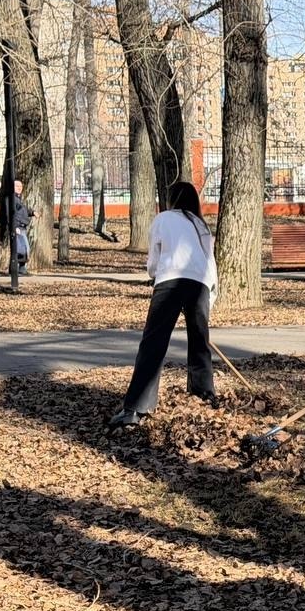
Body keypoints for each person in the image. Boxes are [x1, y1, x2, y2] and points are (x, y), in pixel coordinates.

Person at [108, 181, 218, 428]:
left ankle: (136, 408)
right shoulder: (200, 224)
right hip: (199, 284)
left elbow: (154, 259)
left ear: (172, 199)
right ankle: (204, 395)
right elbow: (210, 262)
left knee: (154, 343)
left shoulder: (163, 219)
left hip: (170, 281)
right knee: (200, 342)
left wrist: (155, 274)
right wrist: (210, 294)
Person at [12, 179, 33, 274]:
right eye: (17, 186)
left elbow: (23, 211)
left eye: (20, 186)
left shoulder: (18, 199)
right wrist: (15, 226)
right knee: (21, 249)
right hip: (18, 227)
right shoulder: (13, 199)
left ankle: (21, 268)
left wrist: (33, 213)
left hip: (22, 227)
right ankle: (16, 269)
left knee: (24, 249)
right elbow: (11, 214)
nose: (19, 188)